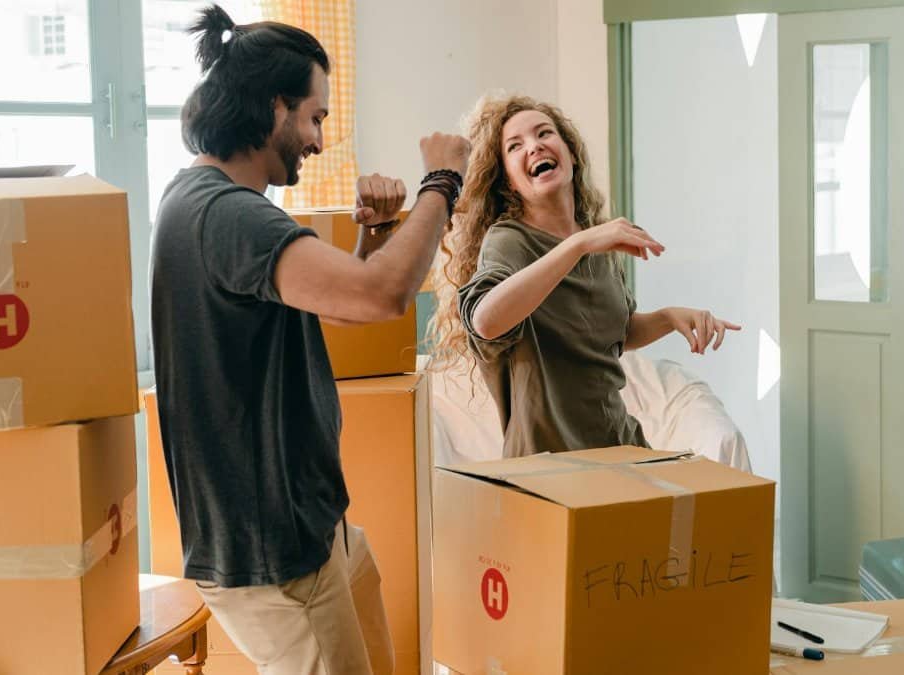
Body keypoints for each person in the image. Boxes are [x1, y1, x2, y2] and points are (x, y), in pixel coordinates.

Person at [149, 6, 469, 673]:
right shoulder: (229, 216)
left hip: (308, 529)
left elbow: (347, 306)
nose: (320, 140)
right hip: (276, 554)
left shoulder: (204, 202)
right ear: (274, 109)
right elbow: (379, 296)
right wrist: (442, 181)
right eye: (315, 117)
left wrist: (376, 234)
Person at [430, 94, 739, 458]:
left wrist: (668, 317)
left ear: (571, 153)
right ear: (508, 181)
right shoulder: (510, 240)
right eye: (516, 146)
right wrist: (579, 245)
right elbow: (485, 320)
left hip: (617, 442)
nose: (535, 146)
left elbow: (613, 332)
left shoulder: (596, 240)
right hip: (548, 462)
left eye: (545, 133)